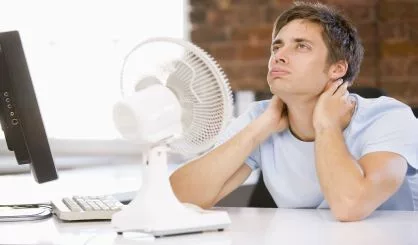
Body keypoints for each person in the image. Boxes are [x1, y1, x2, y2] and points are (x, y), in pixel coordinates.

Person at [170, 1, 418, 221]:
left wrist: (326, 125)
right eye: (277, 47)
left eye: (301, 47)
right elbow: (178, 199)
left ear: (337, 69)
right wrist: (258, 129)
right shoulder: (260, 118)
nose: (279, 56)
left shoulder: (388, 117)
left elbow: (350, 205)